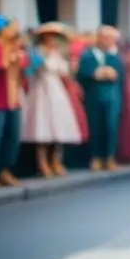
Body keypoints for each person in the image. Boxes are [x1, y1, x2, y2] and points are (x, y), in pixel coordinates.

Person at [20, 22, 82, 176]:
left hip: (56, 91)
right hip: (41, 90)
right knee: (42, 127)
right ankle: (42, 163)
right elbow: (32, 70)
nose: (52, 39)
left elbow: (65, 72)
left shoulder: (58, 53)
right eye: (49, 36)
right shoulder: (37, 52)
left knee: (58, 127)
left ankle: (56, 161)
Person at [0, 12, 28, 188]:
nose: (15, 31)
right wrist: (6, 60)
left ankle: (5, 170)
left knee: (13, 137)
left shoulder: (16, 47)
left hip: (14, 100)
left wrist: (17, 56)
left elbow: (27, 63)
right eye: (12, 27)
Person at [76, 26, 123, 171]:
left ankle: (109, 157)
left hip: (112, 96)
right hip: (93, 96)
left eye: (110, 38)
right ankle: (95, 157)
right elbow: (83, 74)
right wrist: (96, 74)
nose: (108, 41)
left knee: (110, 125)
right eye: (105, 37)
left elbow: (119, 74)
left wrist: (106, 74)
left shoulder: (114, 56)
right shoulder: (87, 55)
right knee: (95, 125)